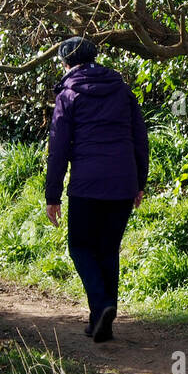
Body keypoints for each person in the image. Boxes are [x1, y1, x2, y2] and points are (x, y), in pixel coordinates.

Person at [44, 36, 148, 342]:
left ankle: (102, 306)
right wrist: (139, 183)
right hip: (122, 183)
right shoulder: (122, 89)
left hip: (87, 185)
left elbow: (58, 148)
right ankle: (101, 320)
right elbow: (140, 139)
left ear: (65, 64)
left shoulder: (68, 93)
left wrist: (53, 195)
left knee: (79, 247)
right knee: (107, 250)